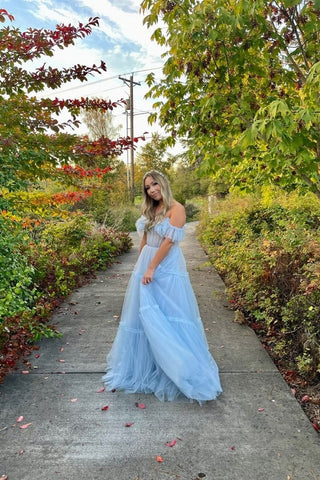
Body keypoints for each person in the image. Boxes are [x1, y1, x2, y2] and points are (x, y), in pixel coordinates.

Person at [103, 170, 222, 403]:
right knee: (142, 316)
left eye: (155, 184)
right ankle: (148, 366)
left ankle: (177, 367)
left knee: (169, 315)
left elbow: (168, 242)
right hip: (147, 262)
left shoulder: (177, 209)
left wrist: (152, 268)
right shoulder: (150, 209)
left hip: (165, 267)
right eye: (147, 187)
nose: (152, 189)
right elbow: (146, 238)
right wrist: (140, 265)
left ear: (163, 183)